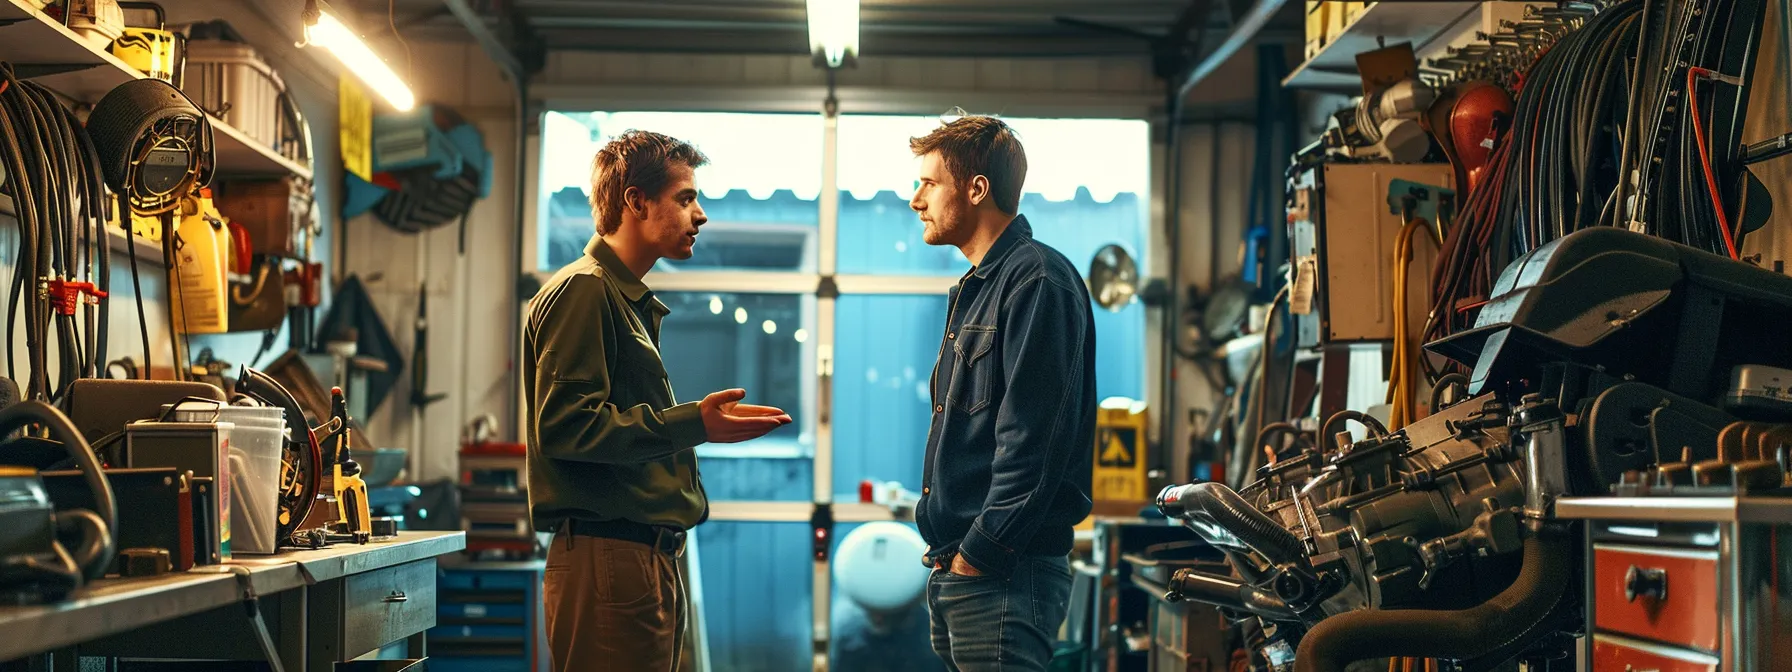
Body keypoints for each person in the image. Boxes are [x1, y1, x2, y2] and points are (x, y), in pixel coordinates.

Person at [524, 129, 792, 672]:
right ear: (636, 201)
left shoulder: (621, 297)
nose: (701, 215)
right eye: (686, 198)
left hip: (638, 558)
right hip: (610, 558)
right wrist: (694, 423)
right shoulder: (586, 289)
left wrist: (695, 426)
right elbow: (568, 428)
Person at [909, 114, 1097, 671]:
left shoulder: (1037, 281)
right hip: (963, 573)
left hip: (1001, 575)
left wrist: (979, 554)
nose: (916, 198)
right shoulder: (977, 290)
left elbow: (1032, 442)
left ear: (976, 188)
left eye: (929, 183)